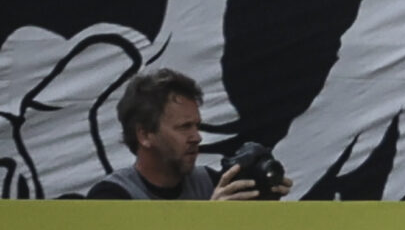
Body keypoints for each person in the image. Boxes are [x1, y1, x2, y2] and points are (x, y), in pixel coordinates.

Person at [88, 69, 286, 201]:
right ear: (145, 135)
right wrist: (211, 221)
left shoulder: (210, 182)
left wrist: (264, 197)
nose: (197, 137)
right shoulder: (111, 196)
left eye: (197, 126)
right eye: (184, 127)